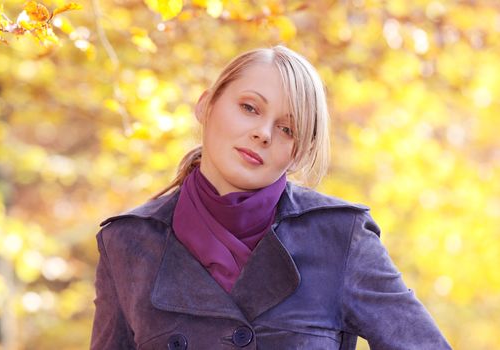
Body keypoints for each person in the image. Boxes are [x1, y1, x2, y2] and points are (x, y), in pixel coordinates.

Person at [91, 45, 451, 350]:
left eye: (286, 129)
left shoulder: (340, 237)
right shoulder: (127, 242)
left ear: (298, 151)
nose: (263, 134)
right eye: (249, 108)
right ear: (206, 105)